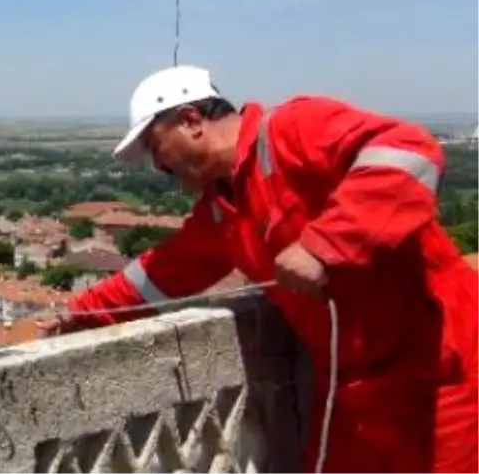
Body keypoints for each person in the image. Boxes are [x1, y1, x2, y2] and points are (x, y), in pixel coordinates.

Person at [39, 65, 479, 474]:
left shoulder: (291, 128)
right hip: (353, 393)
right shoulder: (223, 208)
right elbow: (159, 277)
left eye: (156, 148)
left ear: (192, 119)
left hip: (442, 374)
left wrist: (326, 244)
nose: (160, 167)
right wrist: (77, 314)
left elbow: (409, 151)